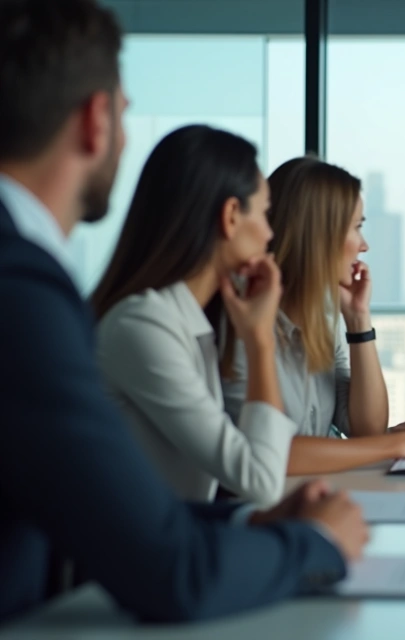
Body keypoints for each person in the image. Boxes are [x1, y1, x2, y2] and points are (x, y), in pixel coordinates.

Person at [0, 0, 366, 624]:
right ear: (95, 120)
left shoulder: (173, 318)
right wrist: (317, 543)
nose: (274, 233)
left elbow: (120, 505)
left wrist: (244, 521)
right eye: (263, 211)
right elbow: (177, 566)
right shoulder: (32, 291)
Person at [91, 125, 299, 506]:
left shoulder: (186, 318)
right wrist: (260, 340)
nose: (270, 234)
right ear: (232, 215)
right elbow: (259, 479)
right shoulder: (142, 326)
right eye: (266, 214)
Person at [221, 156, 405, 474]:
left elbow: (367, 428)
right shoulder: (241, 318)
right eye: (357, 228)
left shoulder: (321, 318)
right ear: (320, 236)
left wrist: (359, 320)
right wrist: (397, 444)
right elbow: (269, 452)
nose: (364, 246)